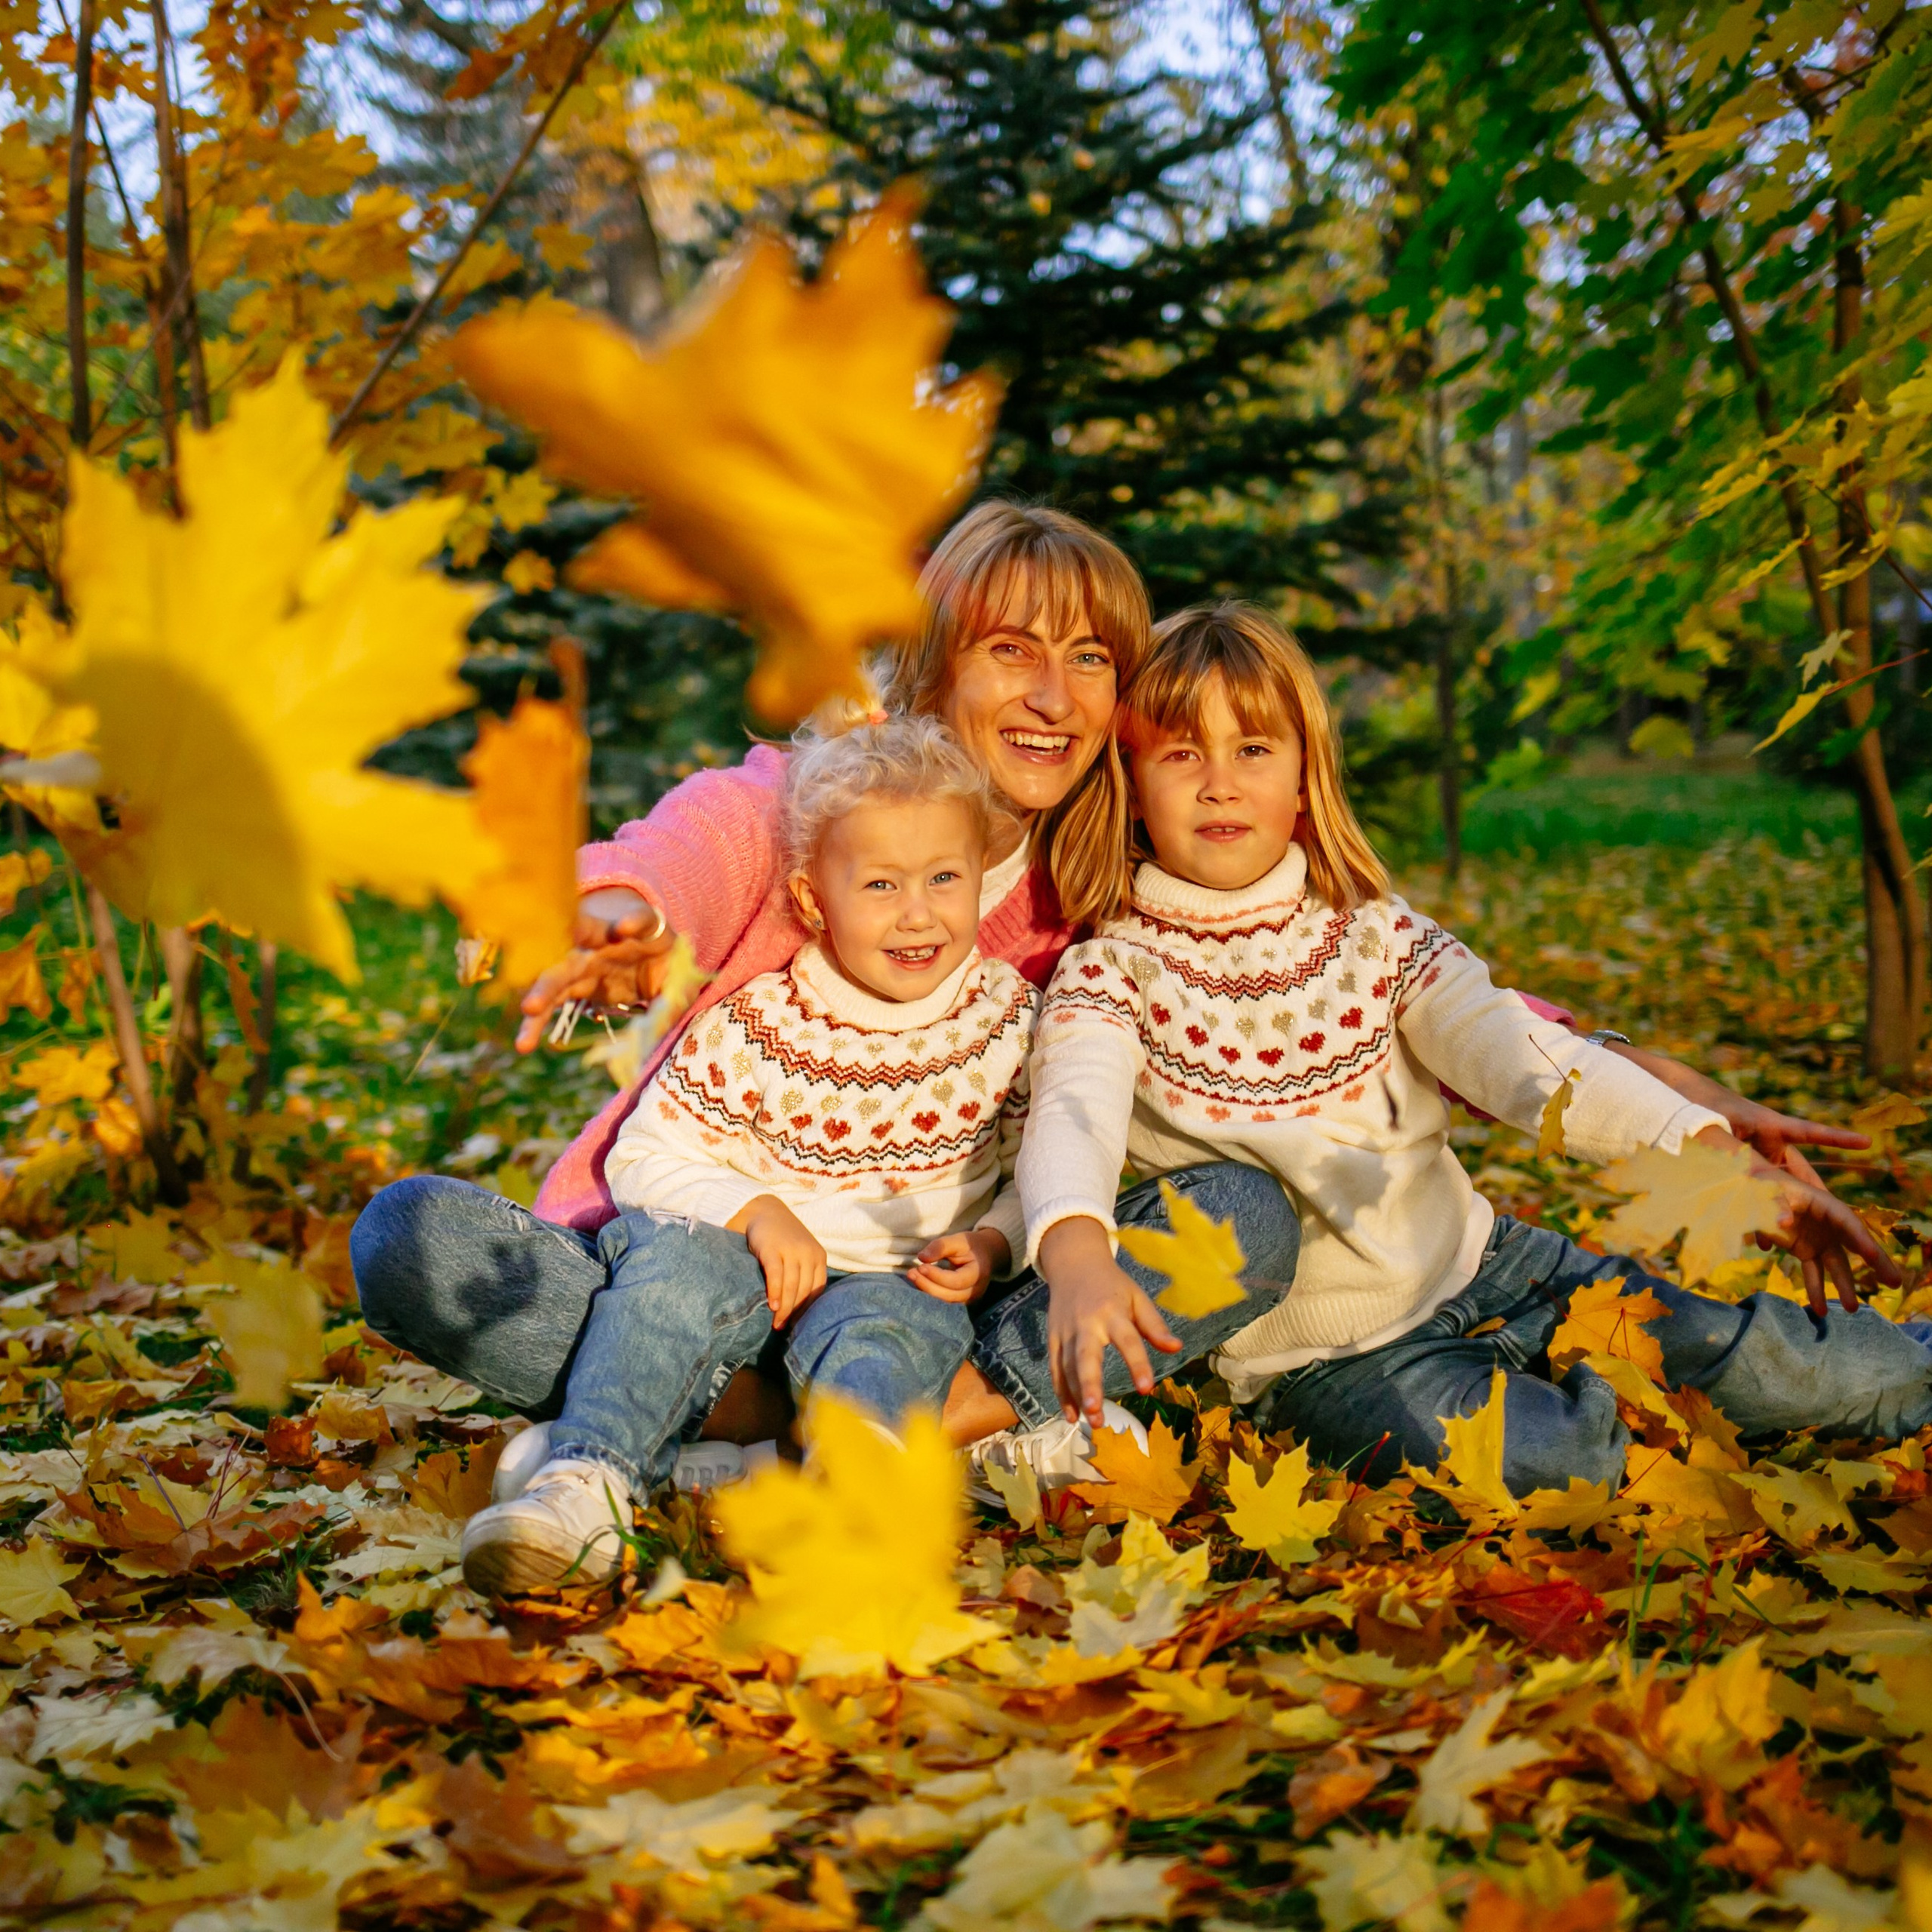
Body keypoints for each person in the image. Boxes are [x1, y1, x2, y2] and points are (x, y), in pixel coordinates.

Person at [351, 503, 1870, 1468]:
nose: (1049, 690)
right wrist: (611, 904)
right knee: (416, 1239)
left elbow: (1405, 991)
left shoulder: (1104, 903)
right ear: (939, 665)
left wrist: (1686, 1096)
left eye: (1088, 658)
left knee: (1235, 1223)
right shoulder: (818, 806)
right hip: (712, 1268)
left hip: (939, 1306)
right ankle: (773, 1420)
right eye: (1008, 648)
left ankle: (809, 1429)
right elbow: (691, 842)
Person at [1018, 602, 1909, 1494]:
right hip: (1331, 1362)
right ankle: (1610, 1413)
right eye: (1181, 753)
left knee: (1837, 1371)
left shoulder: (1374, 932)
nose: (1219, 782)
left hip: (1501, 1268)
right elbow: (1074, 1115)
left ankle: (1714, 1370)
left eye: (1252, 748)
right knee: (1545, 1466)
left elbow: (1527, 1061)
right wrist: (1080, 1255)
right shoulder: (1112, 974)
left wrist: (1722, 1163)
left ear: (1302, 778)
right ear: (1130, 784)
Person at [461, 718, 1082, 1592]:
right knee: (668, 1272)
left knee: (882, 1345)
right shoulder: (762, 1024)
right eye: (879, 884)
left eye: (945, 878)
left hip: (896, 1280)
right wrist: (756, 1213)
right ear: (814, 898)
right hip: (742, 1274)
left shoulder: (1006, 1021)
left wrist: (990, 1245)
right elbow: (646, 1157)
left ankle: (842, 1506)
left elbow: (1037, 1168)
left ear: (980, 879)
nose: (918, 913)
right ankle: (584, 1484)